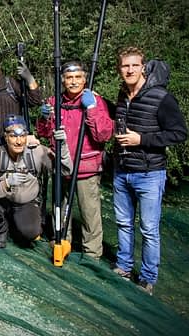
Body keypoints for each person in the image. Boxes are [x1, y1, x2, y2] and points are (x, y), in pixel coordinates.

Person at [111, 47, 187, 295]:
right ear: (119, 69)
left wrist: (141, 139)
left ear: (143, 67)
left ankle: (147, 278)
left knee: (149, 228)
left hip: (149, 173)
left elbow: (178, 133)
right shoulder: (122, 96)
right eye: (125, 66)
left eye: (134, 65)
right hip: (122, 170)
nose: (130, 70)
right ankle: (123, 266)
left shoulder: (161, 97)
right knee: (123, 223)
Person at [36, 60, 113, 259]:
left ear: (85, 79)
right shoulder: (55, 102)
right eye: (69, 78)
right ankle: (62, 242)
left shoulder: (94, 100)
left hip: (85, 167)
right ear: (63, 80)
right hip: (61, 166)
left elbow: (103, 135)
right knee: (59, 210)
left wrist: (92, 109)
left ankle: (92, 254)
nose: (73, 82)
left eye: (78, 77)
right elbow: (44, 133)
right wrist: (44, 118)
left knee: (90, 214)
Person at [0, 115, 72, 247]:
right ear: (6, 137)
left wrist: (62, 147)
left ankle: (18, 226)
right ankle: (2, 228)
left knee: (30, 232)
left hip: (26, 203)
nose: (19, 141)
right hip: (3, 201)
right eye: (13, 136)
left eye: (22, 136)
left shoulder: (37, 151)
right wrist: (6, 183)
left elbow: (65, 171)